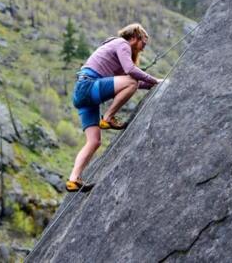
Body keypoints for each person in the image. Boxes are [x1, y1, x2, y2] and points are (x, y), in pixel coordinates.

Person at [66, 23, 161, 192]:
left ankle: (73, 179)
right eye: (143, 44)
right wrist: (153, 80)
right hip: (88, 87)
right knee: (131, 80)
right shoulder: (122, 44)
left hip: (83, 94)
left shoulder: (114, 51)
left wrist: (154, 83)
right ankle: (108, 117)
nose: (143, 49)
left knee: (94, 141)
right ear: (134, 38)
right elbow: (131, 72)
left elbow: (129, 82)